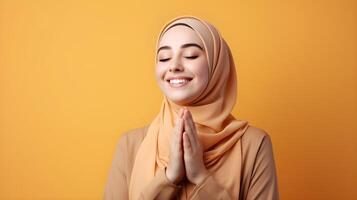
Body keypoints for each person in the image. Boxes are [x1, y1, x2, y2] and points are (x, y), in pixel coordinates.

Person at [104, 15, 279, 200]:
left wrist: (200, 177)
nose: (174, 66)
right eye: (164, 58)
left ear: (216, 63)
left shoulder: (254, 144)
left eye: (190, 55)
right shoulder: (130, 145)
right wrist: (169, 177)